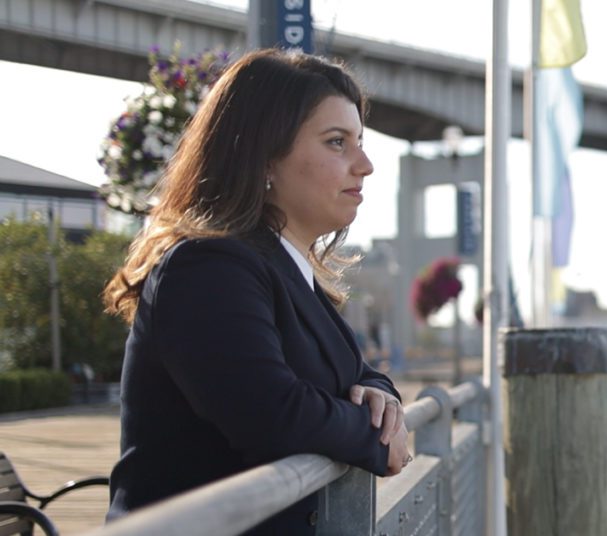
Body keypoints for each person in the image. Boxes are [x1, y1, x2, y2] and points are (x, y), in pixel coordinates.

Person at [102, 48, 410, 534]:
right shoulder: (208, 267)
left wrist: (380, 395)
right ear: (264, 157)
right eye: (337, 142)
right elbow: (270, 413)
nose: (365, 164)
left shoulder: (285, 269)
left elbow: (354, 372)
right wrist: (375, 437)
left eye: (360, 141)